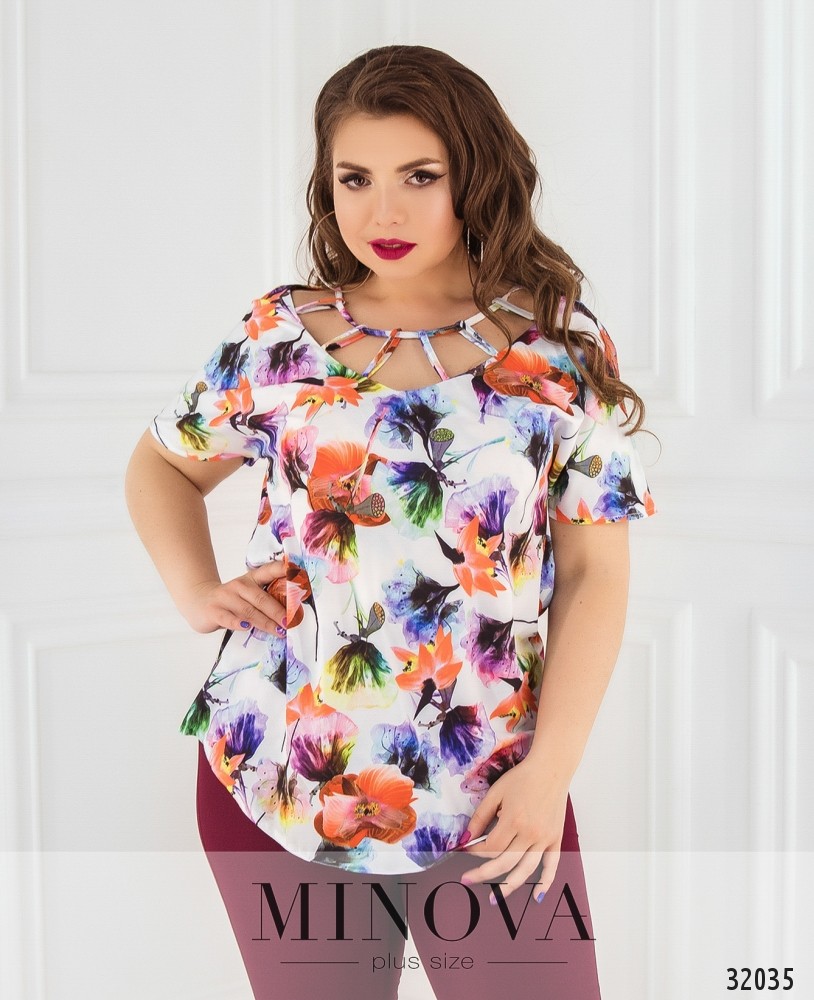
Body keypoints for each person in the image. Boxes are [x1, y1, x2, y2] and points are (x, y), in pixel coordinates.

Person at [125, 44, 656, 1000]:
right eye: (354, 179)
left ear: (475, 177)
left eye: (420, 176)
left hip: (496, 791)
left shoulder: (555, 353)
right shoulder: (276, 337)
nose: (384, 213)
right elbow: (163, 461)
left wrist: (551, 775)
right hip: (277, 770)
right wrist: (196, 589)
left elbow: (595, 574)